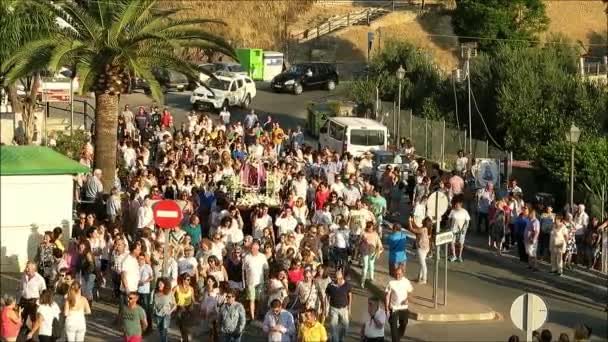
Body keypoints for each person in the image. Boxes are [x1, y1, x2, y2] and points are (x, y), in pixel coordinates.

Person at [385, 265, 413, 342]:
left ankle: (398, 336)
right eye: (396, 274)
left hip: (403, 308)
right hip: (394, 308)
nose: (397, 276)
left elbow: (410, 292)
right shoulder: (391, 283)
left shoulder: (406, 282)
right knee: (393, 330)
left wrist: (407, 299)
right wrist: (387, 308)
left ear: (403, 274)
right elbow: (387, 296)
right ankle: (396, 339)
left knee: (404, 324)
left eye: (399, 274)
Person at [242, 240, 268, 320]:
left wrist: (266, 280)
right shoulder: (247, 257)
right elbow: (243, 271)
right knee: (251, 300)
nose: (254, 249)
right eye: (253, 247)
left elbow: (266, 269)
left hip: (260, 282)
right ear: (251, 248)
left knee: (259, 300)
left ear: (258, 248)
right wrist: (244, 283)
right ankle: (252, 317)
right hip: (250, 282)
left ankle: (257, 315)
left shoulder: (262, 256)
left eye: (256, 247)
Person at [325, 268, 351, 342]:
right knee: (333, 326)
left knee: (346, 326)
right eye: (337, 278)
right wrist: (328, 305)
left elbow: (350, 295)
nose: (338, 280)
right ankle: (335, 340)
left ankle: (341, 338)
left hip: (344, 308)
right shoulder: (330, 285)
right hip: (334, 309)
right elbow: (327, 295)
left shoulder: (347, 285)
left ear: (342, 277)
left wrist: (349, 307)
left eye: (340, 278)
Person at [17, 261, 46, 328]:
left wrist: (38, 303)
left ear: (34, 269)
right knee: (21, 316)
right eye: (26, 267)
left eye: (28, 268)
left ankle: (32, 334)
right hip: (23, 299)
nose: (26, 269)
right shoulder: (24, 276)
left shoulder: (40, 279)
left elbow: (44, 292)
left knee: (33, 319)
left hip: (33, 301)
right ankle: (21, 329)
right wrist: (18, 300)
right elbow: (20, 288)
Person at [408, 217, 431, 284]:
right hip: (426, 248)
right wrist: (413, 221)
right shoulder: (426, 229)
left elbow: (411, 229)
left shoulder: (422, 230)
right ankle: (419, 277)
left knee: (423, 264)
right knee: (422, 263)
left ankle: (424, 279)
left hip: (421, 248)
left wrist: (409, 221)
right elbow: (417, 228)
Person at [152, 277, 176, 342]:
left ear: (165, 285)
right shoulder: (155, 293)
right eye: (158, 284)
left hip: (166, 314)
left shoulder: (169, 293)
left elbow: (174, 305)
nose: (159, 285)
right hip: (158, 314)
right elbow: (154, 303)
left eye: (161, 284)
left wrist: (169, 312)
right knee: (160, 331)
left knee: (164, 330)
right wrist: (154, 310)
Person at [448, 196, 470, 262]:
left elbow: (467, 221)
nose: (455, 205)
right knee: (452, 242)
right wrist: (449, 227)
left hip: (462, 230)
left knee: (461, 243)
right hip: (453, 230)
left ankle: (460, 256)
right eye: (454, 204)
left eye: (456, 204)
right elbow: (449, 220)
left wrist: (464, 228)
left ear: (460, 204)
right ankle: (454, 255)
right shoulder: (452, 211)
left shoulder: (465, 212)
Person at [174, 273, 195, 342]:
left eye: (190, 280)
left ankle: (185, 339)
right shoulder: (176, 287)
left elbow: (193, 300)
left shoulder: (191, 289)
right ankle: (184, 337)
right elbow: (170, 296)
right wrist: (174, 303)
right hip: (180, 308)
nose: (189, 281)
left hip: (188, 309)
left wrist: (195, 306)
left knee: (184, 326)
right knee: (181, 326)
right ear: (183, 280)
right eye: (188, 280)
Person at [136, 254, 153, 331]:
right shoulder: (136, 267)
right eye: (139, 259)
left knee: (146, 308)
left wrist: (144, 282)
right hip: (137, 290)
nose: (141, 260)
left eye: (142, 259)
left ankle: (149, 326)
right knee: (138, 308)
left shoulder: (147, 267)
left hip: (145, 290)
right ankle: (141, 325)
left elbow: (151, 277)